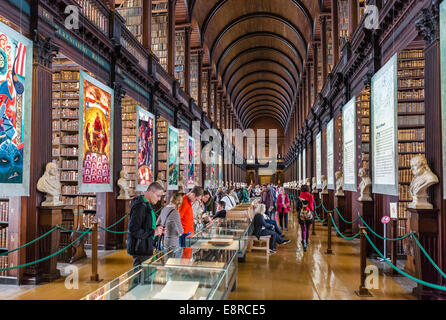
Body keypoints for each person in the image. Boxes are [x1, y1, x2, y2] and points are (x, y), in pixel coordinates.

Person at [127, 182, 166, 266]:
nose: (159, 199)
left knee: (144, 275)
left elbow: (147, 225)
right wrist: (153, 232)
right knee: (140, 276)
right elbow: (134, 229)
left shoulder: (147, 204)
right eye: (158, 196)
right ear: (151, 192)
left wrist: (158, 229)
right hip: (140, 249)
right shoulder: (140, 206)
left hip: (146, 246)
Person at [298, 185, 314, 252]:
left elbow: (297, 206)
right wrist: (311, 210)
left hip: (301, 214)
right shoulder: (310, 196)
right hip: (308, 214)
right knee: (307, 229)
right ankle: (306, 242)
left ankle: (303, 242)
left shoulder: (300, 196)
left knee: (303, 229)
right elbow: (312, 206)